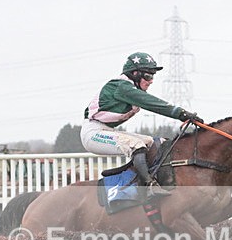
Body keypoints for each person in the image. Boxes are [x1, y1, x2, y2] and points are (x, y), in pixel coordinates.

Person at [81, 52, 202, 199]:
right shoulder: (122, 87)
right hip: (92, 134)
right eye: (148, 76)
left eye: (152, 76)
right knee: (136, 144)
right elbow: (151, 103)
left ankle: (157, 180)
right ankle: (149, 186)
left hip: (106, 130)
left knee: (154, 143)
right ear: (135, 74)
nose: (151, 81)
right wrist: (181, 113)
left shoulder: (129, 88)